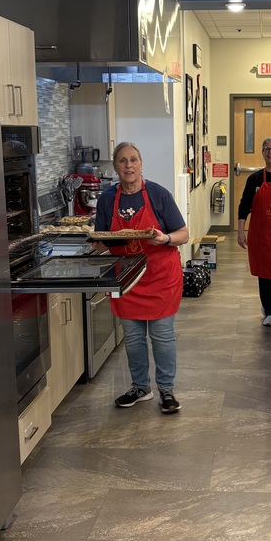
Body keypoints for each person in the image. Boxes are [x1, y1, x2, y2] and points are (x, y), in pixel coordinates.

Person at [95, 142, 189, 412]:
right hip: (126, 278)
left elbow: (183, 233)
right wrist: (96, 243)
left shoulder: (158, 195)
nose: (128, 166)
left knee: (162, 337)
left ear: (141, 163)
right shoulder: (107, 199)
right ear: (115, 166)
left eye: (133, 160)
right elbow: (103, 240)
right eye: (122, 161)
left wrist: (165, 238)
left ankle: (166, 390)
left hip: (160, 275)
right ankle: (140, 387)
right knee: (134, 339)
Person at [237, 136, 271, 327]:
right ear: (262, 153)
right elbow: (244, 206)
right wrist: (240, 231)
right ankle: (270, 311)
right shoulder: (255, 179)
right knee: (265, 272)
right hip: (262, 234)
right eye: (267, 149)